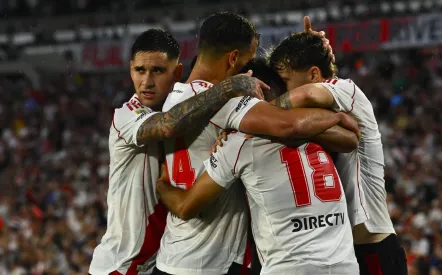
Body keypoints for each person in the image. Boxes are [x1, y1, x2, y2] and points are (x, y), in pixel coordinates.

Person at [155, 12, 359, 275]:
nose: (250, 71)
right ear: (233, 59)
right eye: (248, 61)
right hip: (217, 262)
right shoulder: (232, 106)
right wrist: (337, 115)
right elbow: (291, 124)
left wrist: (161, 185)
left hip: (178, 254)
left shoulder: (174, 101)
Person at [88, 28, 265, 275]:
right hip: (122, 265)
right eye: (140, 70)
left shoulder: (190, 107)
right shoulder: (126, 115)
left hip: (160, 262)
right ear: (130, 69)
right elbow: (168, 125)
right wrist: (228, 87)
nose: (147, 81)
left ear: (178, 72)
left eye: (158, 71)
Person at [267, 29, 408, 275]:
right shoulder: (314, 118)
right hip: (344, 253)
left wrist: (248, 112)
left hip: (373, 247)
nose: (282, 89)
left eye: (286, 81)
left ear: (313, 74)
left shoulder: (345, 89)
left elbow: (308, 92)